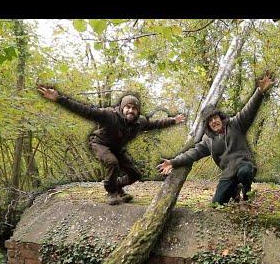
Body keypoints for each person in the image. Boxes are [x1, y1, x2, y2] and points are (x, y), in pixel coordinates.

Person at [37, 86, 185, 205]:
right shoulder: (109, 115)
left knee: (135, 174)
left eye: (134, 108)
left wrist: (173, 120)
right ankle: (111, 191)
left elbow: (154, 124)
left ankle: (118, 186)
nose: (131, 110)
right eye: (128, 107)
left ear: (138, 111)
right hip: (99, 143)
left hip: (116, 148)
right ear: (122, 108)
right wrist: (59, 99)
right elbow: (84, 110)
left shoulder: (140, 122)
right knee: (112, 162)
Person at [157, 71, 274, 205]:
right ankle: (234, 190)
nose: (213, 121)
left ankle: (247, 193)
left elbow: (250, 108)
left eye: (215, 118)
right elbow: (192, 153)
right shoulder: (208, 140)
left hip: (243, 165)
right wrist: (173, 162)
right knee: (216, 204)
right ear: (208, 125)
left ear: (220, 117)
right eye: (210, 121)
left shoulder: (236, 123)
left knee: (245, 172)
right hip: (228, 173)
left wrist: (259, 91)